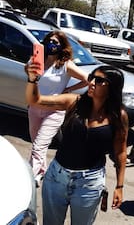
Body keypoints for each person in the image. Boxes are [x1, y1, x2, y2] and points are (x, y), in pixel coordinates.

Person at [25, 64, 128, 225]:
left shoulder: (118, 116)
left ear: (112, 88)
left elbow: (121, 152)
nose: (92, 82)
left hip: (89, 184)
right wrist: (33, 79)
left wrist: (119, 186)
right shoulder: (73, 102)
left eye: (99, 80)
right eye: (91, 77)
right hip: (56, 178)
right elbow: (35, 100)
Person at [25, 31, 88, 187]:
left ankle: (29, 180)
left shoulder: (65, 64)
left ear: (62, 46)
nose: (52, 44)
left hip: (54, 110)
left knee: (39, 145)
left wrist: (68, 89)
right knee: (37, 145)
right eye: (49, 41)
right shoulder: (38, 59)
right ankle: (41, 171)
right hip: (34, 107)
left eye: (56, 42)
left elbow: (87, 79)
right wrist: (29, 70)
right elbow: (28, 72)